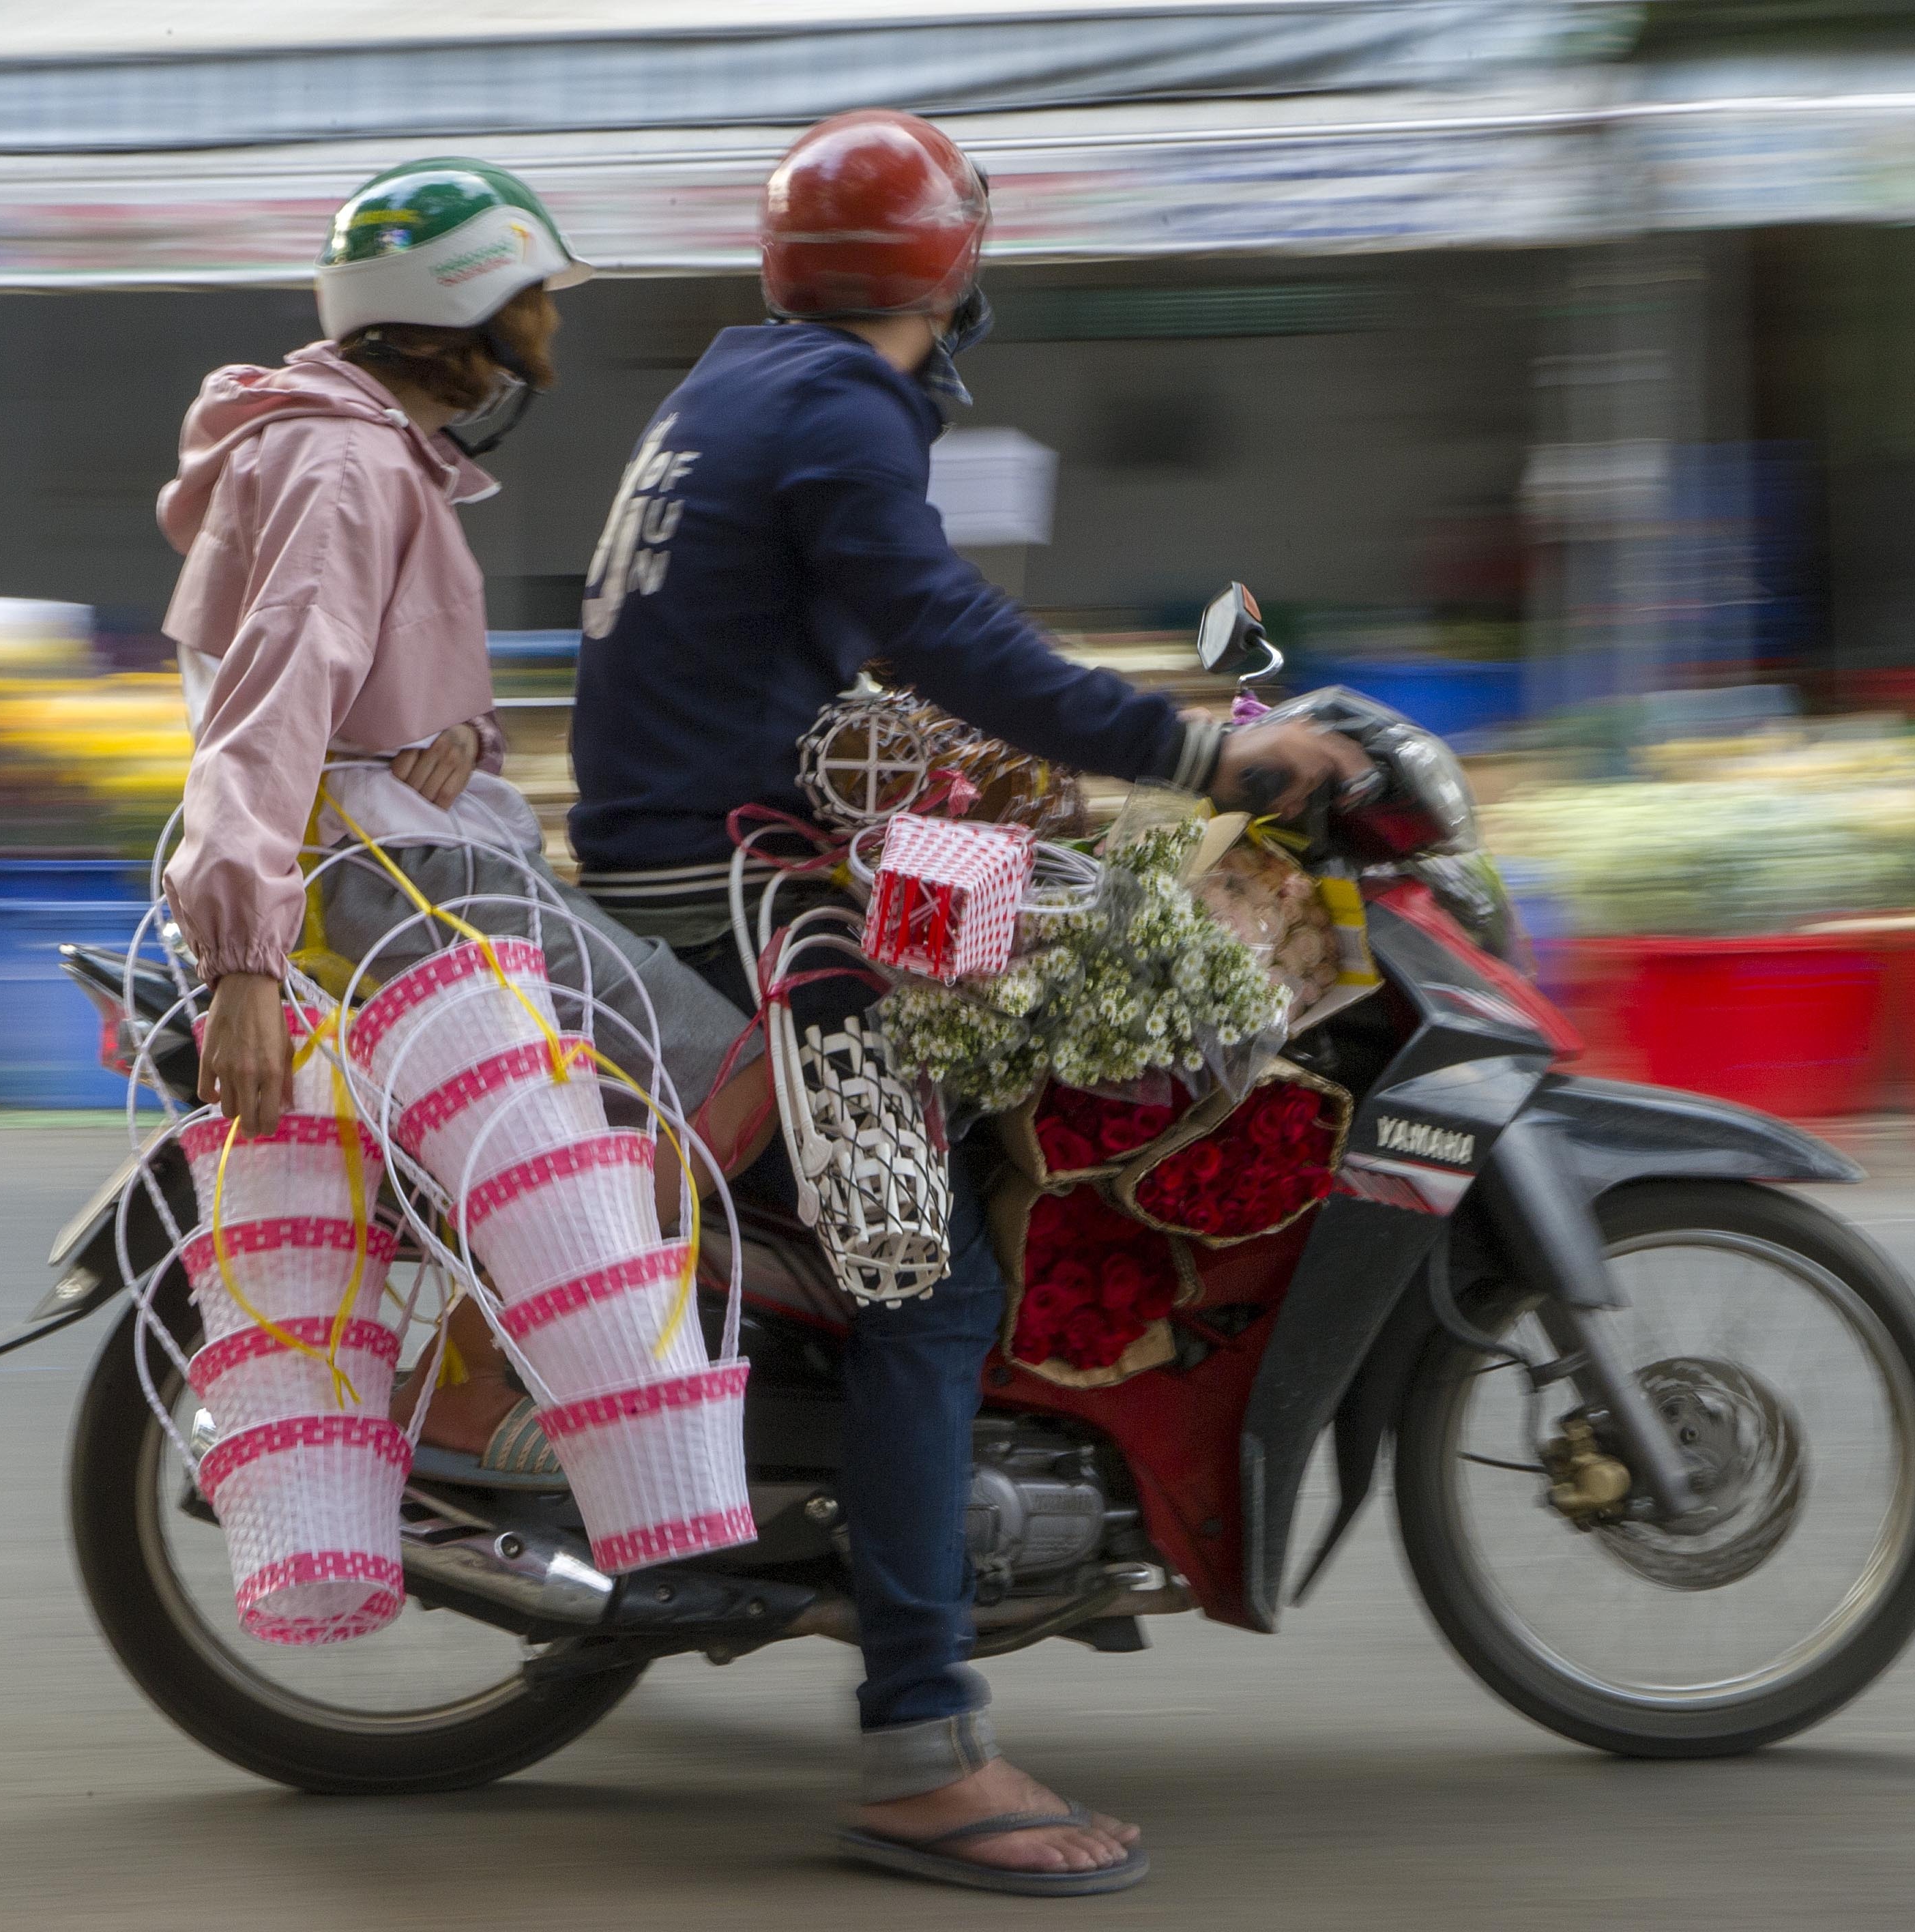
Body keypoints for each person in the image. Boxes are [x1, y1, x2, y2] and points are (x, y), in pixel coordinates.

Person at [567, 108, 1366, 1897]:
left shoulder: (746, 387)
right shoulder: (836, 406)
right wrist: (1198, 746)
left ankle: (1045, 1439)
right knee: (928, 1276)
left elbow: (860, 653)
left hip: (748, 844)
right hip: (748, 903)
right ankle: (926, 1743)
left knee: (1154, 939)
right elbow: (938, 629)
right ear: (950, 267)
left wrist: (1087, 788)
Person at [158, 156, 770, 1476]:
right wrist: (244, 966)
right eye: (532, 301)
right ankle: (486, 1377)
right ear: (463, 305)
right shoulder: (344, 465)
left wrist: (453, 730)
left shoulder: (344, 453)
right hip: (402, 879)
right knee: (737, 1083)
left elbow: (343, 677)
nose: (548, 335)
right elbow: (261, 715)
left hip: (406, 850)